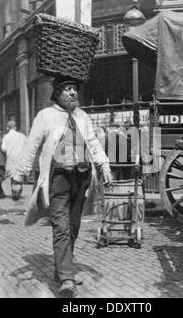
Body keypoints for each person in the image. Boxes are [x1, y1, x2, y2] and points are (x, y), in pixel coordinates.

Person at [12, 77, 113, 298]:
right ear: (57, 93)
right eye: (67, 89)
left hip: (82, 179)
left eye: (74, 89)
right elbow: (32, 146)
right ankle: (67, 278)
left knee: (74, 226)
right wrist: (19, 176)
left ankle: (61, 270)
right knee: (61, 227)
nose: (72, 93)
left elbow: (93, 142)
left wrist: (104, 165)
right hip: (58, 179)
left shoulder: (82, 116)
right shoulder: (45, 116)